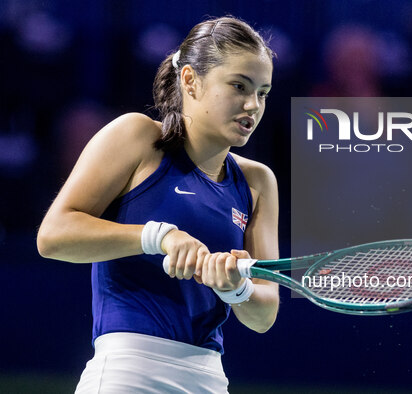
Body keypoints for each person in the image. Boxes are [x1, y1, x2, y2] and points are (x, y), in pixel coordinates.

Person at [37, 16, 279, 393]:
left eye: (263, 92)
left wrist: (236, 288)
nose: (253, 104)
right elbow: (53, 236)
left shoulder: (258, 181)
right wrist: (158, 236)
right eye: (238, 86)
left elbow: (265, 313)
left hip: (210, 378)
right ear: (189, 81)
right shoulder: (136, 136)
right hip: (127, 373)